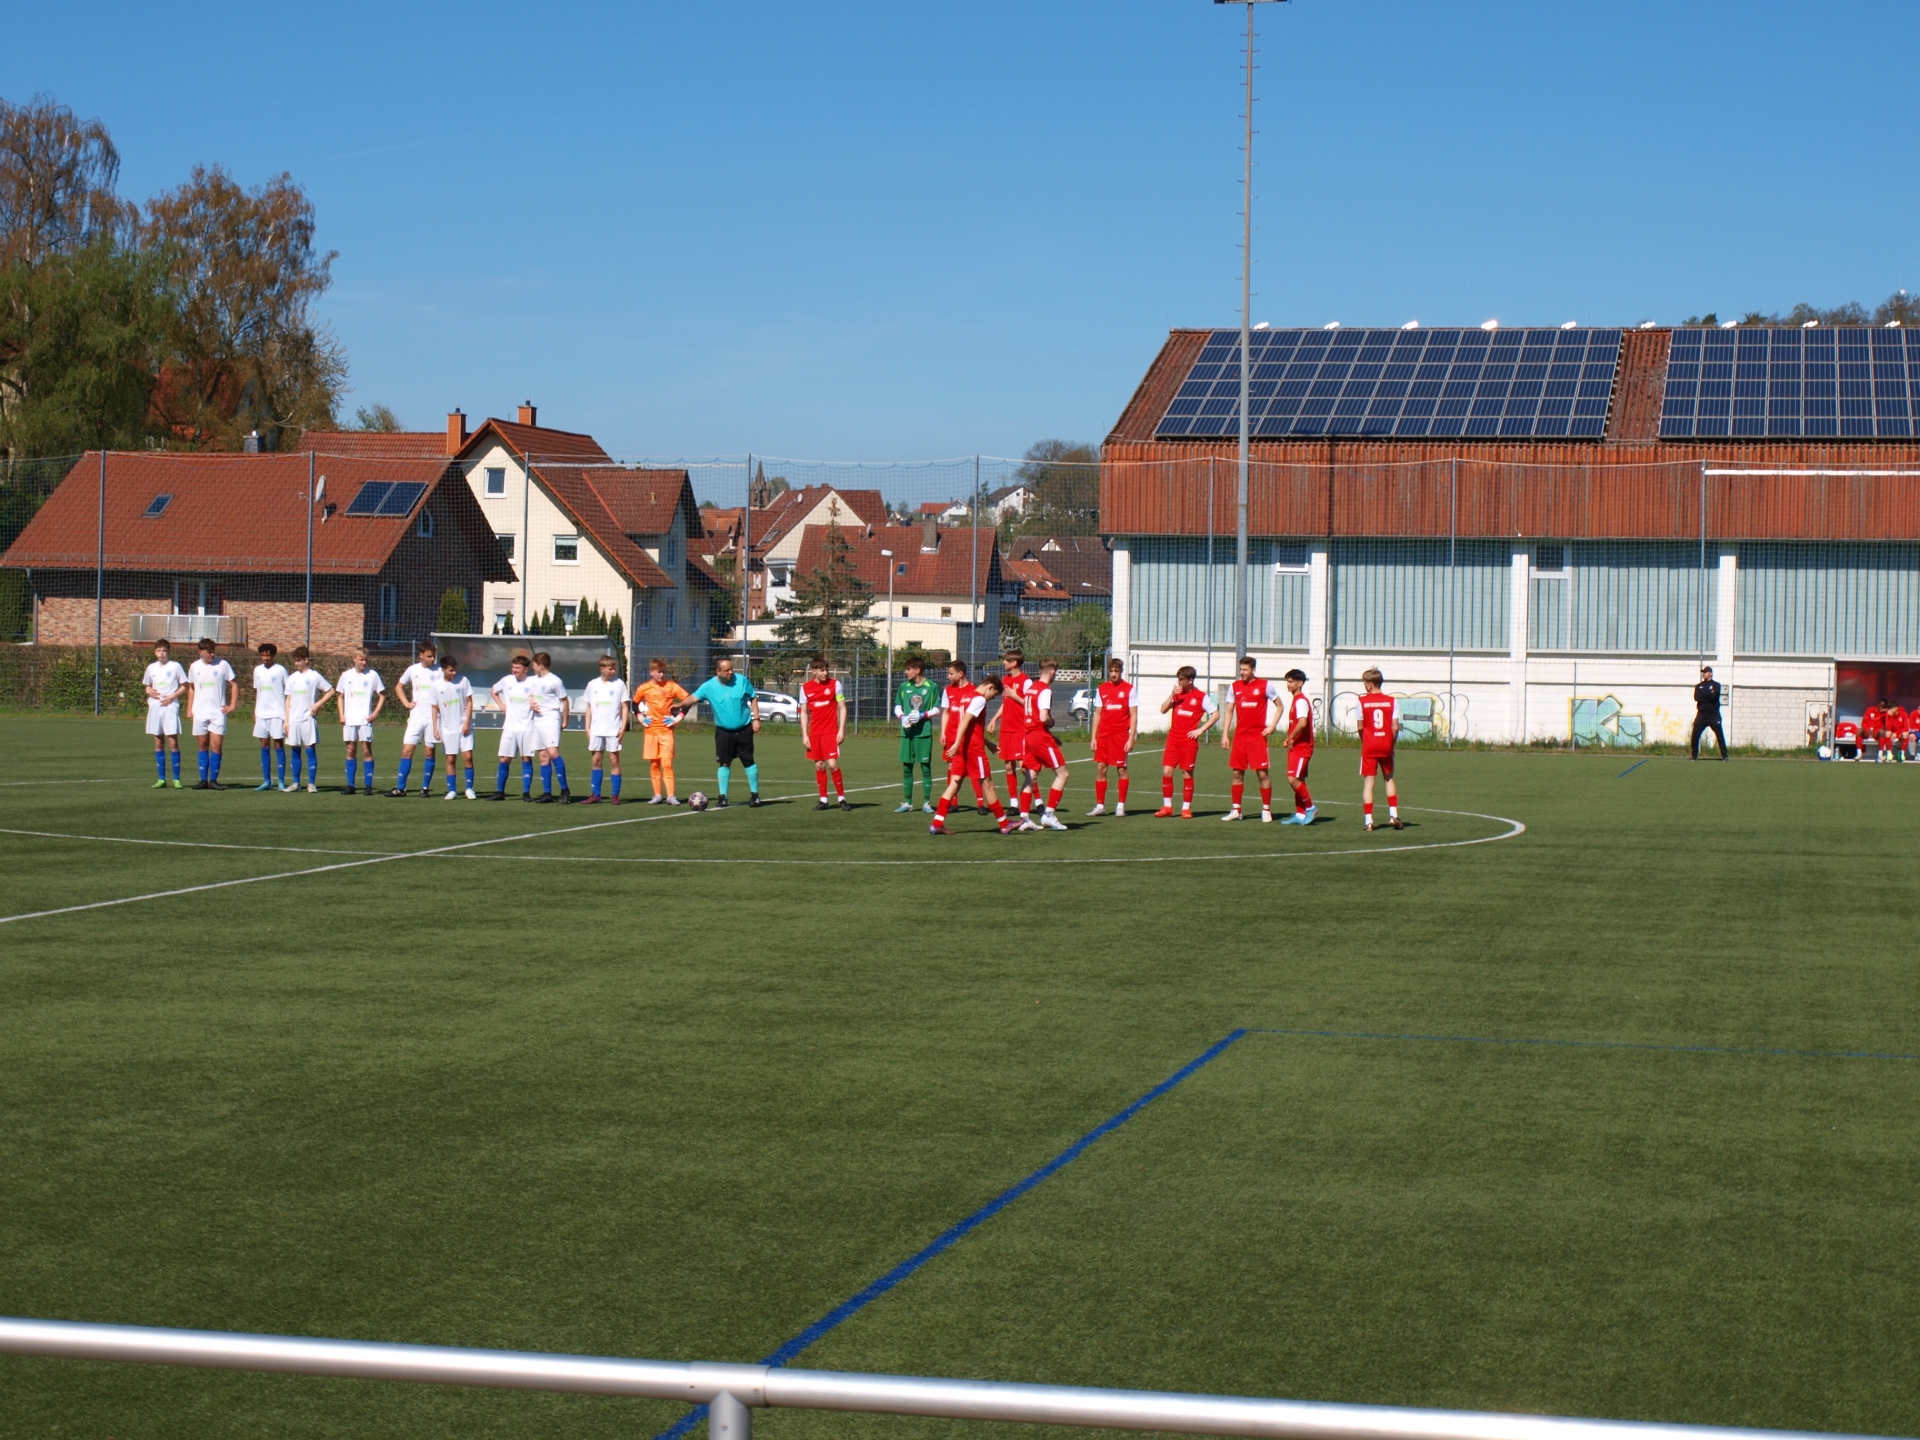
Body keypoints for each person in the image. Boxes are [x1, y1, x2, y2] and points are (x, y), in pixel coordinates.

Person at [930, 668, 1012, 835]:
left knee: (954, 784)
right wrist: (957, 742)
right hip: (973, 749)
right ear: (990, 687)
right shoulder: (979, 699)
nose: (992, 698)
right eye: (994, 695)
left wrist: (987, 743)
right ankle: (1004, 823)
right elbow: (965, 721)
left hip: (963, 748)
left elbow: (969, 727)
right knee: (988, 785)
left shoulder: (966, 696)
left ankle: (937, 823)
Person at [685, 655, 761, 807]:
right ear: (718, 671)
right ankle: (723, 797)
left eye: (731, 669)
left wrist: (756, 719)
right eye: (727, 670)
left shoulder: (741, 680)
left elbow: (753, 697)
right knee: (724, 762)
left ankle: (755, 796)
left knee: (748, 761)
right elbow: (692, 698)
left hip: (744, 729)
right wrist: (679, 705)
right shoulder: (709, 686)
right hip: (724, 732)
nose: (731, 672)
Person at [1220, 656, 1280, 823]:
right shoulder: (1235, 687)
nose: (1242, 672)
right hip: (1240, 737)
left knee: (1262, 773)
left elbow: (1280, 706)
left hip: (1257, 737)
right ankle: (1236, 810)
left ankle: (1266, 810)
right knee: (1237, 773)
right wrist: (1225, 734)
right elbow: (1229, 711)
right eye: (1240, 669)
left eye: (1245, 670)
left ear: (1253, 670)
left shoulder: (1265, 685)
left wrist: (1272, 726)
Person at [1155, 666, 1218, 818]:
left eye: (1181, 680)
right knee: (1167, 772)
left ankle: (1186, 808)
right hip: (1173, 739)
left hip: (1188, 741)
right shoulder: (1177, 694)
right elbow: (1163, 710)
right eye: (1178, 679)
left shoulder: (1201, 697)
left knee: (1186, 773)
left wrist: (1201, 730)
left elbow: (1216, 714)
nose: (1179, 682)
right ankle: (1167, 807)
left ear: (1190, 680)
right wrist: (1172, 695)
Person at [1019, 658, 1070, 831]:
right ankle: (1049, 814)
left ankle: (1024, 818)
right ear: (1053, 671)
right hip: (1040, 737)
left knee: (1030, 777)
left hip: (1028, 736)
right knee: (1063, 774)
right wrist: (1051, 723)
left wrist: (1051, 735)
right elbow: (1042, 717)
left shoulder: (1030, 689)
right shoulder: (1045, 690)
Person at [633, 658, 691, 805]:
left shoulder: (671, 686)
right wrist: (640, 718)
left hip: (666, 731)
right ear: (651, 672)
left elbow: (688, 700)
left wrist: (678, 718)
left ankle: (671, 796)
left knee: (667, 763)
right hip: (651, 731)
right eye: (659, 672)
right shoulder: (644, 688)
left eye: (663, 672)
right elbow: (634, 703)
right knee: (654, 764)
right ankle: (657, 795)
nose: (662, 675)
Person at [390, 641, 442, 797]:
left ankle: (425, 788)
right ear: (421, 655)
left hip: (433, 717)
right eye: (429, 656)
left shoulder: (440, 671)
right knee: (407, 751)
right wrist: (406, 703)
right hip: (416, 716)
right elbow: (399, 686)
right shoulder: (413, 670)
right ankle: (401, 788)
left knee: (429, 751)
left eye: (433, 656)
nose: (432, 659)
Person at [1355, 667, 1404, 831]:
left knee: (1369, 783)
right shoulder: (1392, 701)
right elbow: (1395, 727)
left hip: (1369, 746)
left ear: (1370, 684)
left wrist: (1366, 740)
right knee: (1389, 778)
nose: (1364, 686)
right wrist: (1391, 744)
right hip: (1386, 745)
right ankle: (1393, 815)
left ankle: (1369, 821)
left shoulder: (1361, 701)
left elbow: (1360, 727)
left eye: (1364, 683)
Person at [484, 653, 538, 801]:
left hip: (527, 727)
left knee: (526, 758)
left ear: (526, 669)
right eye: (513, 667)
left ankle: (526, 793)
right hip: (509, 727)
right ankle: (499, 792)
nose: (514, 670)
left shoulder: (533, 682)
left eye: (517, 668)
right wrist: (501, 705)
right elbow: (493, 690)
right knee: (504, 759)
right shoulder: (507, 680)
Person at [1087, 657, 1137, 817]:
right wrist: (1093, 737)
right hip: (1104, 734)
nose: (1113, 674)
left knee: (1121, 769)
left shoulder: (1129, 689)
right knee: (1101, 767)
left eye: (1116, 671)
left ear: (1121, 672)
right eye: (1111, 671)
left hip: (1121, 734)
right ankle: (1100, 806)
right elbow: (1097, 714)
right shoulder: (1102, 689)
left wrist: (1131, 737)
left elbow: (1133, 715)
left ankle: (1120, 806)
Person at [332, 649, 386, 794]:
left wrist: (375, 713)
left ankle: (368, 786)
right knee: (350, 750)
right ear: (354, 659)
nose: (364, 662)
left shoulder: (373, 675)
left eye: (366, 660)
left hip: (365, 720)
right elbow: (340, 696)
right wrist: (341, 715)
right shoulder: (346, 675)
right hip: (349, 720)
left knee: (366, 750)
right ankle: (351, 785)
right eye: (361, 659)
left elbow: (382, 695)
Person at [187, 637, 238, 790]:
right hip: (200, 712)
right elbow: (191, 688)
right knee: (202, 744)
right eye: (209, 652)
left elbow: (234, 684)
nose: (212, 655)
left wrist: (232, 705)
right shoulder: (194, 667)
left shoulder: (223, 665)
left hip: (218, 713)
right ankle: (203, 780)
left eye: (213, 651)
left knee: (216, 745)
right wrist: (189, 708)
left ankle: (214, 780)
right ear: (201, 652)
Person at [579, 654, 630, 804]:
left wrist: (623, 727)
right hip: (596, 730)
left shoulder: (619, 684)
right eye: (610, 669)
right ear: (602, 669)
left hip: (613, 729)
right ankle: (596, 794)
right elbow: (589, 707)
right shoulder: (592, 684)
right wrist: (587, 727)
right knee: (596, 760)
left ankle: (615, 795)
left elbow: (625, 707)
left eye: (614, 668)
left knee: (614, 760)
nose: (613, 671)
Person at [801, 654, 850, 810]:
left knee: (833, 764)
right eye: (822, 670)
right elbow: (804, 712)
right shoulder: (805, 688)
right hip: (815, 733)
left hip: (831, 732)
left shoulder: (835, 685)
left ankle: (842, 798)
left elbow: (842, 708)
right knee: (819, 765)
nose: (826, 673)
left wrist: (841, 729)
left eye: (826, 670)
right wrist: (805, 734)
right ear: (814, 671)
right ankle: (823, 799)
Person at [992, 648, 1036, 818]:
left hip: (1020, 729)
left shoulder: (1026, 681)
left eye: (1006, 660)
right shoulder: (1005, 679)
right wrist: (995, 718)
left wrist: (1016, 696)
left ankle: (1038, 801)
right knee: (1008, 766)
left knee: (1023, 766)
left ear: (1014, 663)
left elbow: (1030, 704)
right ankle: (1013, 804)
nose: (1004, 662)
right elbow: (1006, 702)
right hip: (1006, 729)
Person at [894, 656, 940, 813]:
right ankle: (908, 803)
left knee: (925, 767)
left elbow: (937, 709)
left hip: (923, 733)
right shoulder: (904, 687)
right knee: (907, 767)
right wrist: (902, 717)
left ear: (917, 670)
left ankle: (926, 803)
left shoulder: (931, 686)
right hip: (907, 733)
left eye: (908, 669)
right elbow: (897, 706)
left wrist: (922, 715)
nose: (906, 672)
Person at [283, 647, 331, 792]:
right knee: (295, 751)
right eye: (295, 661)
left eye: (298, 661)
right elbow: (288, 699)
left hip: (308, 719)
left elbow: (330, 691)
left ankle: (311, 783)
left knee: (310, 750)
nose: (296, 663)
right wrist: (286, 720)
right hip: (294, 720)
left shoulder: (314, 676)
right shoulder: (292, 678)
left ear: (306, 660)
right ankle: (296, 783)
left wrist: (317, 704)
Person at [431, 653, 476, 799]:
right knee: (451, 759)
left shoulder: (463, 681)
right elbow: (434, 707)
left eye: (455, 669)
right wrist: (435, 728)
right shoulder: (436, 686)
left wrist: (467, 722)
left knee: (468, 757)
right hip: (448, 728)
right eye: (451, 670)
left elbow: (469, 702)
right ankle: (452, 790)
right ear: (443, 669)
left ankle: (469, 789)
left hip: (464, 726)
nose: (454, 673)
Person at [142, 639, 187, 788]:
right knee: (158, 742)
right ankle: (161, 779)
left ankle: (176, 779)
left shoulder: (175, 666)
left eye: (164, 651)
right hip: (155, 706)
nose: (162, 654)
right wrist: (149, 691)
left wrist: (172, 697)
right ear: (155, 652)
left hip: (170, 706)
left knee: (173, 741)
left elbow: (185, 686)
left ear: (169, 652)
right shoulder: (151, 668)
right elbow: (147, 687)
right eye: (159, 651)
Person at [529, 652, 572, 803]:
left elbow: (564, 701)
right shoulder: (534, 680)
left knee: (553, 753)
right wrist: (531, 702)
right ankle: (547, 793)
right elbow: (531, 695)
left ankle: (565, 789)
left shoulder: (555, 681)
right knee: (543, 756)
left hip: (551, 718)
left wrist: (565, 720)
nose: (533, 667)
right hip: (537, 720)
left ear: (540, 666)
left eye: (534, 665)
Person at [248, 642, 290, 792]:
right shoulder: (257, 670)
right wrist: (256, 711)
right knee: (264, 745)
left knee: (278, 744)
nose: (265, 658)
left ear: (273, 655)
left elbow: (288, 692)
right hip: (262, 714)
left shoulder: (281, 670)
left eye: (268, 655)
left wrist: (286, 715)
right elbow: (258, 692)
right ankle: (267, 781)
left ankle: (281, 781)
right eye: (263, 655)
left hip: (277, 713)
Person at [1279, 667, 1317, 825]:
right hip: (1297, 746)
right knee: (1299, 779)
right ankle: (1300, 814)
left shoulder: (1301, 701)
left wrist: (1291, 737)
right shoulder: (1296, 700)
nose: (1288, 684)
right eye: (1287, 682)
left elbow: (1302, 723)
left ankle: (1310, 808)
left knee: (1292, 778)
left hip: (1302, 747)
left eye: (1291, 681)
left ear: (1300, 683)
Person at [1691, 665, 1727, 761]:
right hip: (1702, 714)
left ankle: (1724, 756)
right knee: (1695, 734)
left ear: (1710, 673)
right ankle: (1694, 756)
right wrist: (1707, 694)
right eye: (1703, 672)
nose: (1704, 674)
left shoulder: (1716, 685)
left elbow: (1713, 696)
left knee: (1719, 735)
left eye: (1705, 672)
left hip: (1713, 715)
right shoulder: (1698, 686)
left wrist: (1704, 696)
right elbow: (1697, 697)